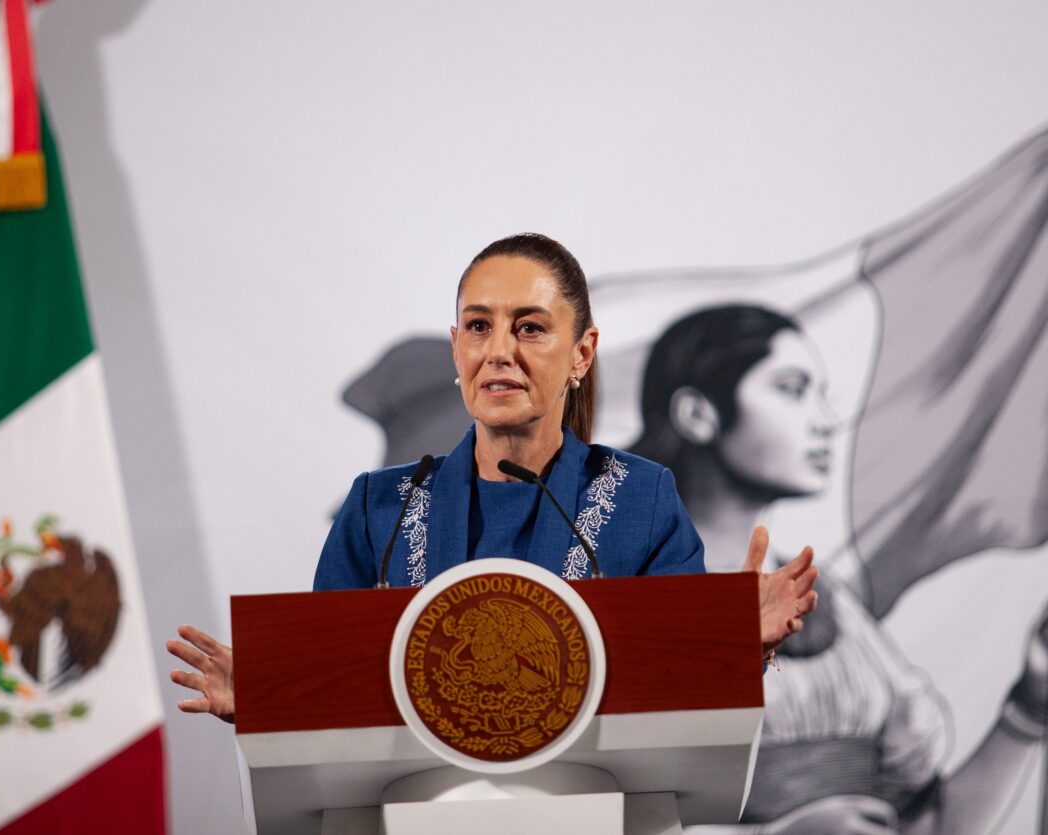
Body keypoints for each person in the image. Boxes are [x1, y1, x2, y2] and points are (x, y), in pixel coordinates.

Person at [167, 234, 819, 726]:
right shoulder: (378, 507)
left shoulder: (642, 500)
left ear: (582, 353)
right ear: (457, 349)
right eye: (479, 326)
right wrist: (273, 700)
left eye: (529, 327)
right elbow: (334, 695)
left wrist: (739, 646)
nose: (498, 349)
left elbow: (683, 703)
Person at [630, 304, 1048, 835]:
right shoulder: (618, 596)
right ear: (698, 414)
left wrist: (1030, 707)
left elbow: (932, 825)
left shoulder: (832, 601)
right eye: (791, 388)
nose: (827, 420)